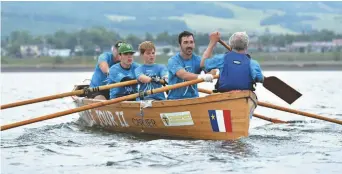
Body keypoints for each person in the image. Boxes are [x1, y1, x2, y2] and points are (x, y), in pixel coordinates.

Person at [200, 31, 264, 92]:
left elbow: (203, 64)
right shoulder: (253, 63)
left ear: (230, 45)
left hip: (223, 96)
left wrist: (212, 42)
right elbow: (260, 79)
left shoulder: (221, 59)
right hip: (245, 98)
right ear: (246, 47)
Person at [167, 31, 214, 100]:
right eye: (185, 42)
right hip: (175, 100)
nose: (189, 45)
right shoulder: (173, 61)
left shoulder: (198, 60)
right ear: (180, 45)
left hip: (194, 99)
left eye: (191, 42)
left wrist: (211, 72)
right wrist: (202, 77)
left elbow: (212, 71)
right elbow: (183, 75)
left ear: (194, 44)